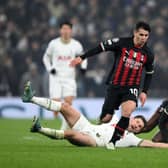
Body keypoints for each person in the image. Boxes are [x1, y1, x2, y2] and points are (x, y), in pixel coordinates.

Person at [70, 21, 154, 146]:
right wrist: (83, 57)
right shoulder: (121, 43)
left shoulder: (148, 53)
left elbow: (149, 73)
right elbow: (101, 47)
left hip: (132, 87)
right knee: (106, 118)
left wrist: (144, 91)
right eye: (141, 35)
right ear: (135, 33)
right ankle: (95, 129)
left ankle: (113, 141)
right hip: (115, 85)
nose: (143, 38)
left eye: (146, 36)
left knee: (128, 111)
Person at [22, 81, 168, 149]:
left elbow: (151, 144)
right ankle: (31, 99)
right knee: (65, 106)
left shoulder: (131, 139)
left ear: (138, 131)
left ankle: (39, 129)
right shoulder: (116, 118)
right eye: (137, 122)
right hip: (87, 126)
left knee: (72, 134)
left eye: (139, 127)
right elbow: (103, 117)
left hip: (93, 140)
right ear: (132, 118)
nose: (136, 125)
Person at [42, 20, 87, 130]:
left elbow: (83, 57)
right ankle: (58, 121)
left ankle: (63, 129)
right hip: (55, 78)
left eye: (68, 29)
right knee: (56, 106)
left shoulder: (76, 44)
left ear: (71, 31)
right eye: (63, 29)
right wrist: (50, 68)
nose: (65, 31)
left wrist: (83, 67)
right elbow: (46, 57)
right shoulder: (54, 44)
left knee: (68, 103)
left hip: (69, 78)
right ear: (60, 30)